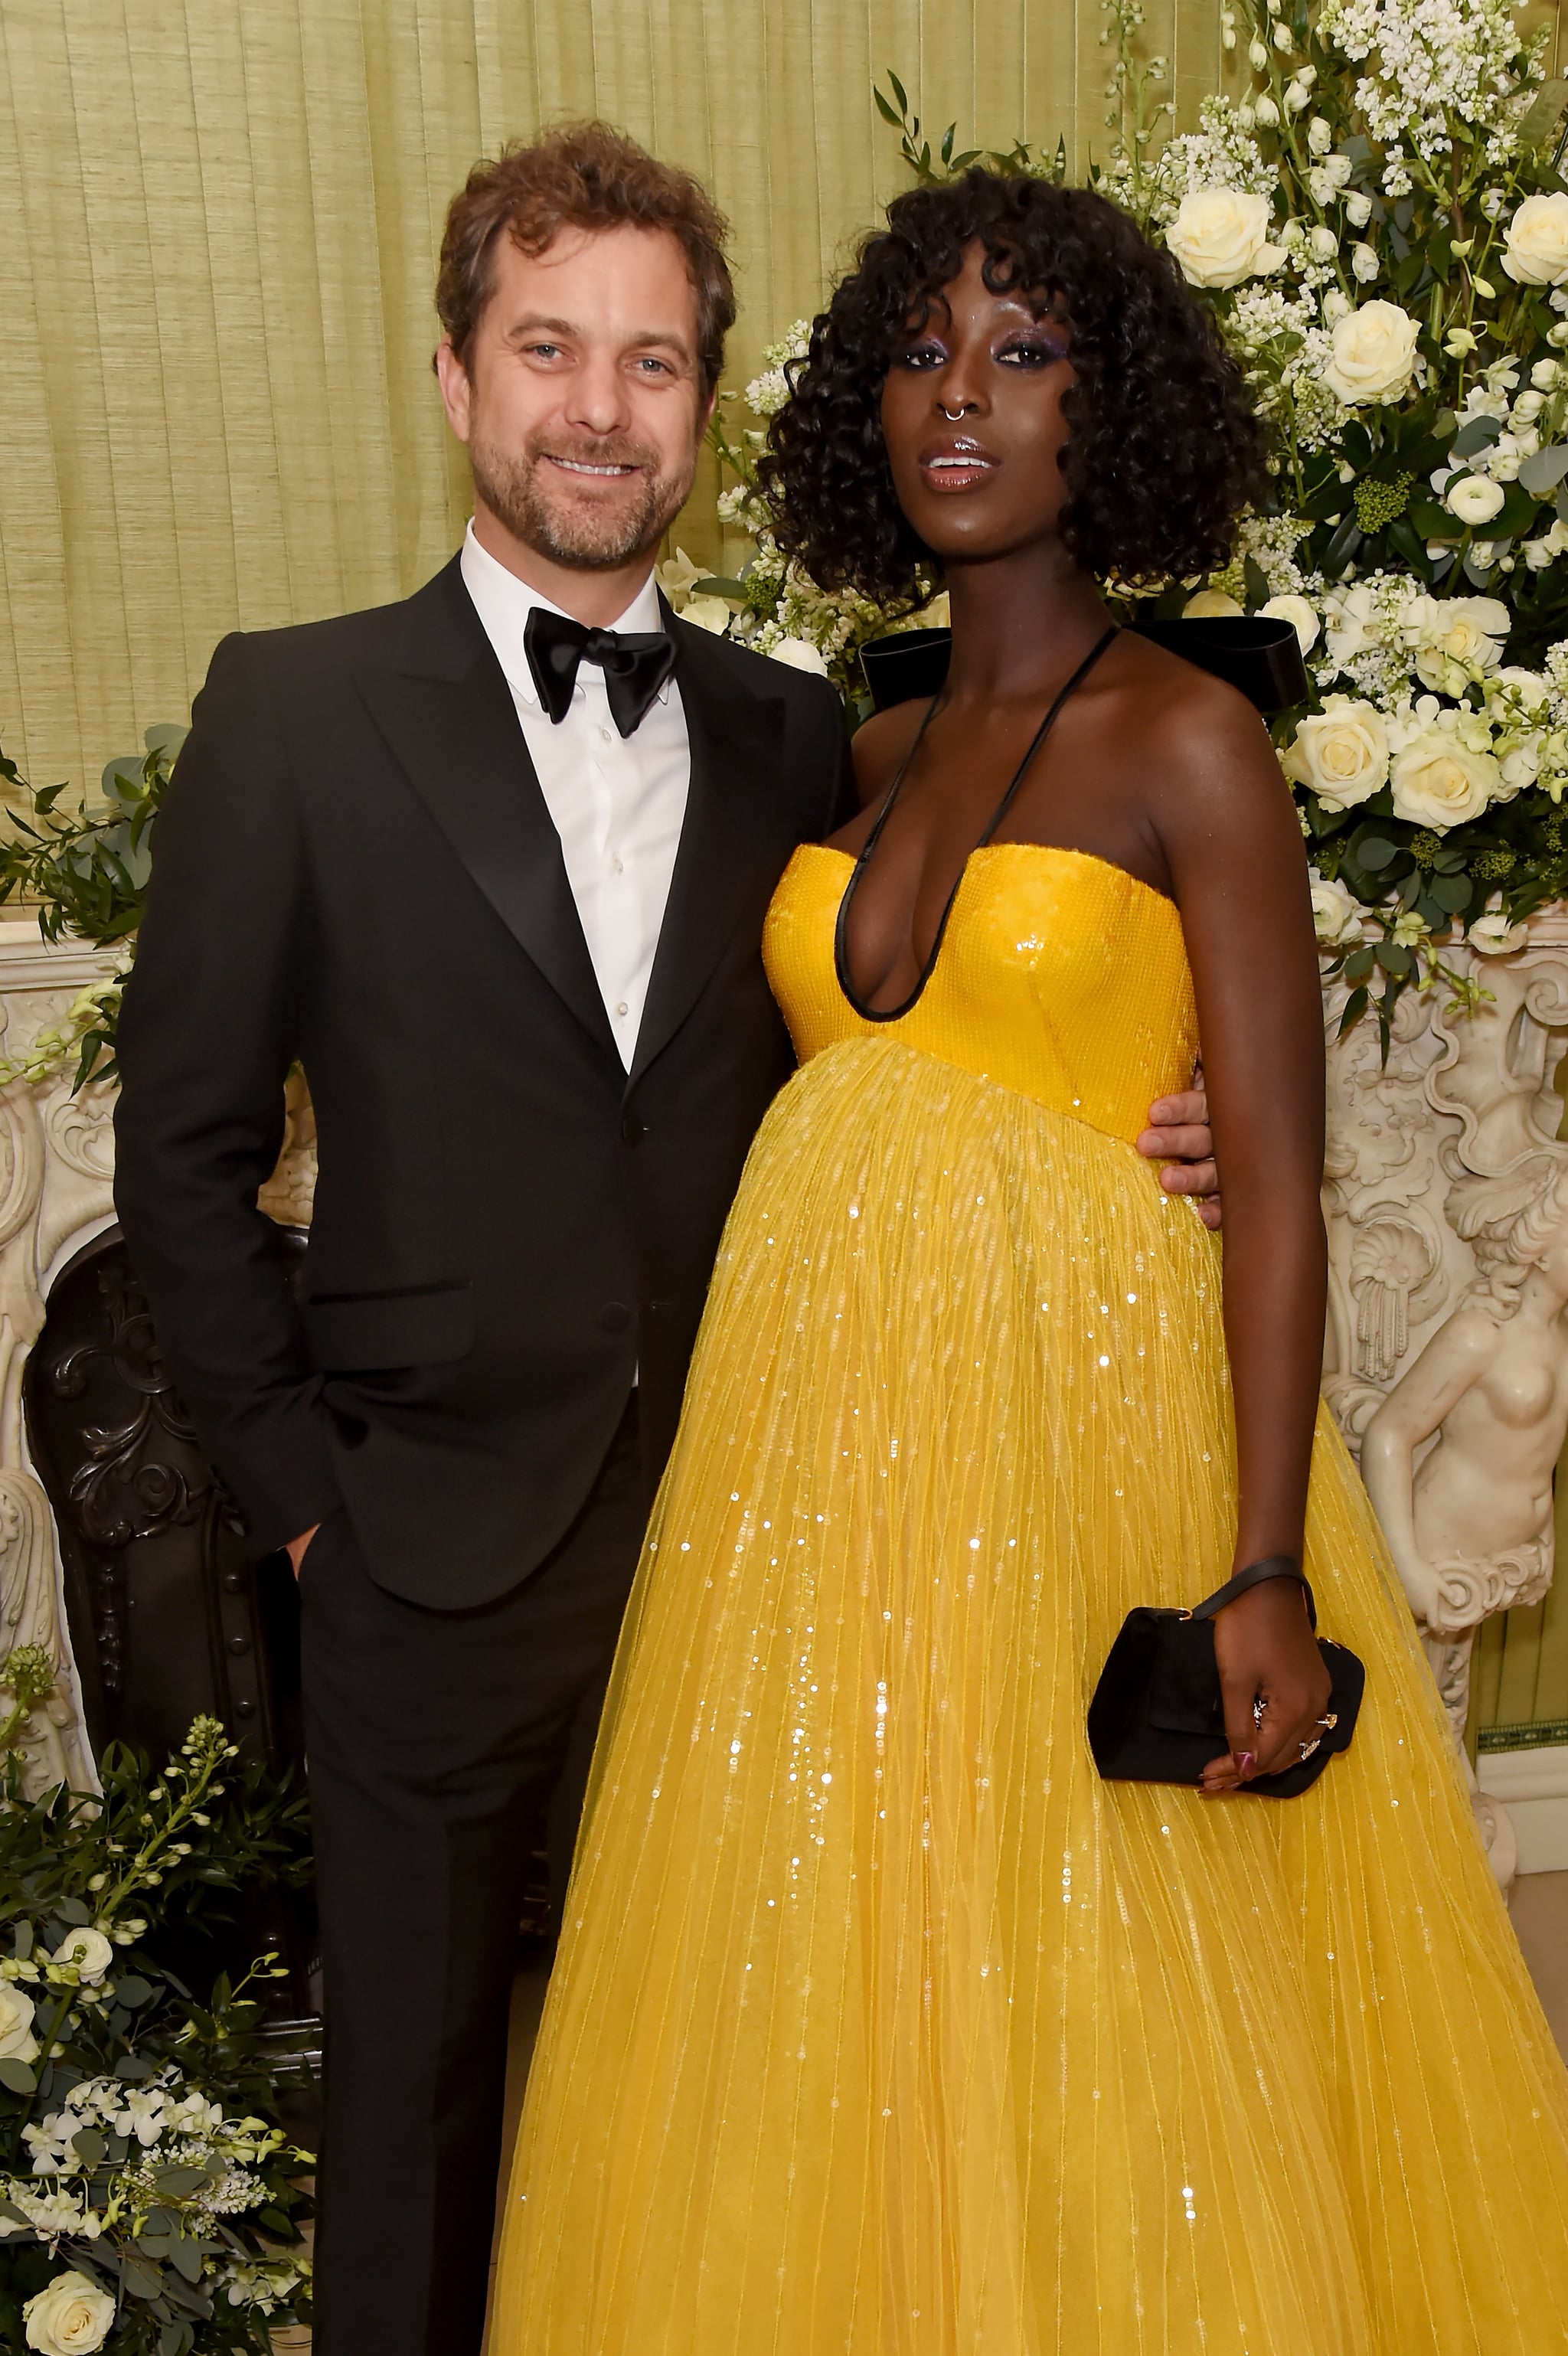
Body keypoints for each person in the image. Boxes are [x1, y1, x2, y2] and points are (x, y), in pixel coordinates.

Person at [110, 130, 1217, 2356]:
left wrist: (1124, 1119)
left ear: (705, 411)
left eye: (652, 360)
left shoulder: (801, 730)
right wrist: (314, 1517)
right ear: (453, 378)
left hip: (775, 1535)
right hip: (418, 1554)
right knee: (412, 2150)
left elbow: (892, 1038)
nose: (599, 409)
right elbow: (184, 1161)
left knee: (768, 2116)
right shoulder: (295, 713)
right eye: (550, 349)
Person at [492, 170, 1568, 2354]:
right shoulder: (858, 753)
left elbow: (1272, 1179)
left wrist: (1266, 1562)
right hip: (822, 1498)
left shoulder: (1192, 742)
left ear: (1117, 409)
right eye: (916, 353)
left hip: (1089, 1454)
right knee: (851, 1981)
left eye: (1023, 353)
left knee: (1115, 1996)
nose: (957, 399)